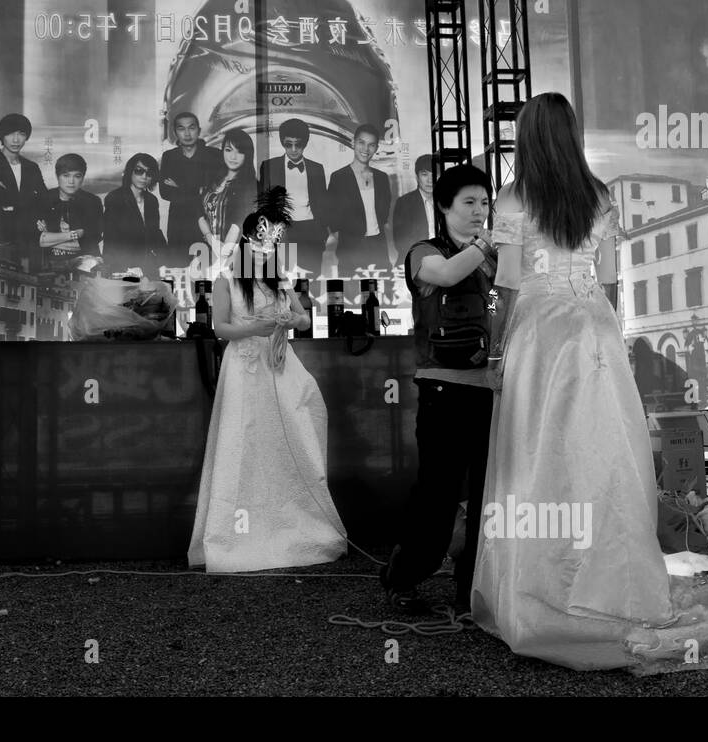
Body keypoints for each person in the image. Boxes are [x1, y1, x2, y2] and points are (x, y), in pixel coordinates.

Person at [473, 93, 708, 672]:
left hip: (538, 334)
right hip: (594, 332)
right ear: (572, 134)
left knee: (534, 457)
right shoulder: (599, 195)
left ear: (528, 137)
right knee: (604, 454)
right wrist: (612, 336)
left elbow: (504, 285)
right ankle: (613, 582)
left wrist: (494, 345)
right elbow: (610, 283)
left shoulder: (513, 197)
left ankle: (534, 586)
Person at [188, 187, 348, 572]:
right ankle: (237, 532)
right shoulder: (227, 278)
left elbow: (304, 318)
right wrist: (253, 328)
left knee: (293, 433)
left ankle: (295, 522)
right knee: (244, 440)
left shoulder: (280, 278)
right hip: (244, 367)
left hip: (280, 364)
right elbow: (221, 327)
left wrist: (286, 323)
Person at [379, 164, 497, 613]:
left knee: (488, 494)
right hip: (442, 391)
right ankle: (402, 576)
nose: (479, 211)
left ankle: (471, 590)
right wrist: (490, 242)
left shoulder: (490, 257)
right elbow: (446, 275)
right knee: (439, 493)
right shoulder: (424, 253)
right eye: (468, 202)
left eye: (485, 203)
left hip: (488, 390)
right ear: (443, 206)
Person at [258, 118, 329, 277]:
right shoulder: (269, 166)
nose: (294, 149)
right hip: (281, 230)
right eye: (288, 144)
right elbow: (263, 204)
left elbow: (322, 204)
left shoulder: (317, 168)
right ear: (282, 142)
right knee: (281, 281)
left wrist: (323, 231)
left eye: (299, 144)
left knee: (311, 281)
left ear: (306, 143)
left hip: (311, 231)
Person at [327, 123, 392, 276]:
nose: (365, 149)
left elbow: (384, 214)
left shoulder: (382, 178)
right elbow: (331, 215)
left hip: (378, 249)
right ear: (353, 143)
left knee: (382, 295)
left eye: (371, 145)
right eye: (361, 142)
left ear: (376, 148)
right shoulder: (339, 177)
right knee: (350, 296)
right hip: (350, 251)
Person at [160, 112, 223, 266]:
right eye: (182, 129)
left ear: (199, 131)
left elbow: (215, 192)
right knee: (179, 272)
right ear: (175, 132)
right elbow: (165, 192)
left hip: (208, 222)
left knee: (209, 273)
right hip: (178, 224)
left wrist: (180, 187)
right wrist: (198, 190)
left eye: (191, 128)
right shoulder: (169, 156)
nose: (187, 133)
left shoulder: (214, 155)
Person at [0, 113, 47, 266]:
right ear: (2, 136)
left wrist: (42, 220)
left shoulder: (32, 168)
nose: (16, 140)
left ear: (26, 137)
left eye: (21, 134)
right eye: (10, 134)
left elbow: (44, 200)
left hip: (30, 241)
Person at [198, 129, 258, 268]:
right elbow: (198, 211)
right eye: (229, 150)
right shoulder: (213, 178)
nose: (233, 156)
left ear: (247, 155)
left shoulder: (251, 184)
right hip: (208, 248)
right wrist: (210, 239)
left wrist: (224, 252)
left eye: (240, 152)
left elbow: (239, 222)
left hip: (233, 252)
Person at [103, 153, 167, 279]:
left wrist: (165, 262)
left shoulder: (151, 200)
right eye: (139, 171)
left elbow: (156, 234)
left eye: (149, 173)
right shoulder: (115, 198)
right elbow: (111, 239)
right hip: (122, 266)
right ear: (129, 172)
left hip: (148, 265)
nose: (144, 177)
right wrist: (125, 266)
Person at [36, 153, 103, 271]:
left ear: (83, 177)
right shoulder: (43, 200)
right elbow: (37, 240)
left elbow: (92, 239)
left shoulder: (92, 202)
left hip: (85, 264)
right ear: (57, 176)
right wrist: (75, 235)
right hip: (49, 264)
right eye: (66, 175)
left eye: (77, 176)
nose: (71, 181)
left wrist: (50, 238)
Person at [390, 154, 437, 270]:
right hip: (413, 264)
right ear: (417, 177)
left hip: (442, 263)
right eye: (424, 174)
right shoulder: (404, 203)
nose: (430, 180)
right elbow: (401, 242)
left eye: (434, 174)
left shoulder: (446, 203)